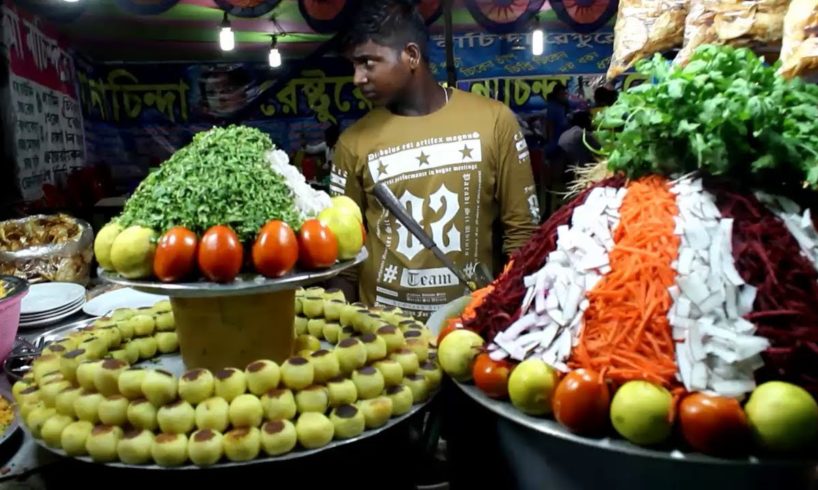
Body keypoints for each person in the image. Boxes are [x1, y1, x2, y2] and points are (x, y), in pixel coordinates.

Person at [329, 0, 538, 320]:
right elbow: (344, 260)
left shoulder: (494, 121)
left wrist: (508, 318)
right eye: (354, 66)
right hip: (386, 337)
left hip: (468, 327)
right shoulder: (353, 143)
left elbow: (522, 235)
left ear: (411, 56)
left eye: (368, 62)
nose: (357, 78)